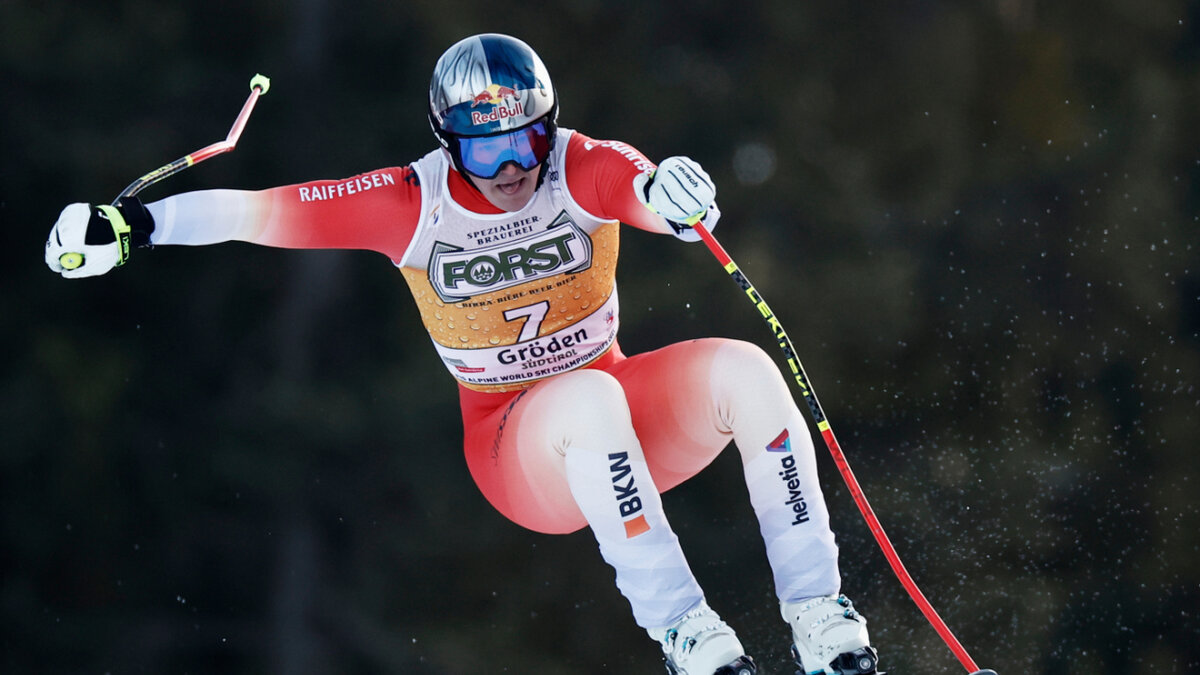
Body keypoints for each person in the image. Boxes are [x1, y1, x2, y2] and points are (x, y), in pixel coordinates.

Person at [45, 33, 882, 675]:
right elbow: (260, 211)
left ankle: (821, 618)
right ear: (449, 143)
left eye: (528, 139)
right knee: (587, 402)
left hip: (623, 417)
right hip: (517, 448)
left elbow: (641, 188)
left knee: (745, 370)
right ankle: (686, 630)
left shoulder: (574, 163)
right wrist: (134, 225)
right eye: (486, 149)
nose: (514, 165)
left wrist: (675, 197)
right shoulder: (410, 202)